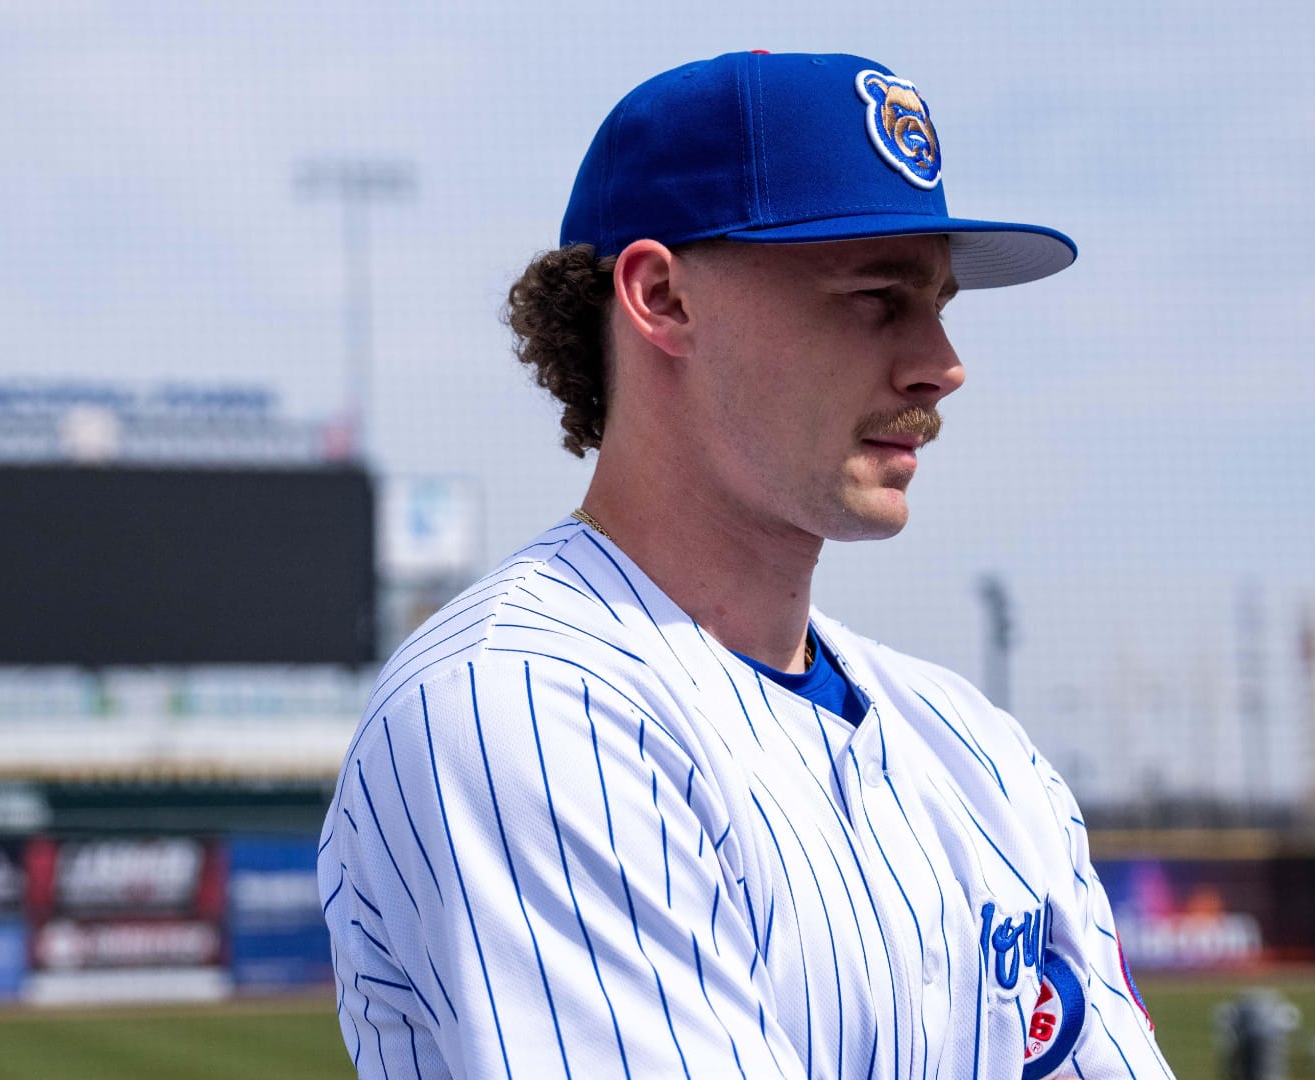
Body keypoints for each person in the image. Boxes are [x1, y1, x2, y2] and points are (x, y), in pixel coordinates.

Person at [319, 50, 1173, 1079]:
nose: (941, 364)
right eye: (874, 296)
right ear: (662, 297)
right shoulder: (519, 704)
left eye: (940, 301)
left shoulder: (981, 751)